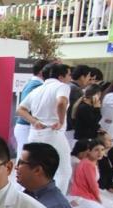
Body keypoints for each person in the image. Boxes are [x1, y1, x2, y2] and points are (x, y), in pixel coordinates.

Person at [17, 63, 74, 194]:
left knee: (32, 166)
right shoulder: (62, 87)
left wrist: (34, 121)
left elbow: (20, 109)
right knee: (63, 170)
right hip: (53, 133)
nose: (70, 78)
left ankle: (26, 195)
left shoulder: (37, 90)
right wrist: (60, 121)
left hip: (35, 134)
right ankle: (56, 199)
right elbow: (61, 102)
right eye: (69, 75)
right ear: (61, 76)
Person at [14, 59, 50, 160]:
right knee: (24, 158)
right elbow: (22, 109)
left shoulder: (35, 84)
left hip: (26, 127)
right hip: (26, 127)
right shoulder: (36, 85)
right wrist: (35, 122)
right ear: (42, 72)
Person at [70, 138, 105, 203]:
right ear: (89, 151)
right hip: (82, 197)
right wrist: (98, 199)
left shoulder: (89, 162)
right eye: (96, 150)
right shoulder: (88, 164)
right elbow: (93, 184)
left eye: (102, 150)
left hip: (84, 195)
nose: (100, 153)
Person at [66, 65, 93, 143]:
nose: (89, 80)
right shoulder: (76, 90)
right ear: (82, 77)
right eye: (88, 77)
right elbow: (75, 111)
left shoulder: (68, 86)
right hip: (70, 128)